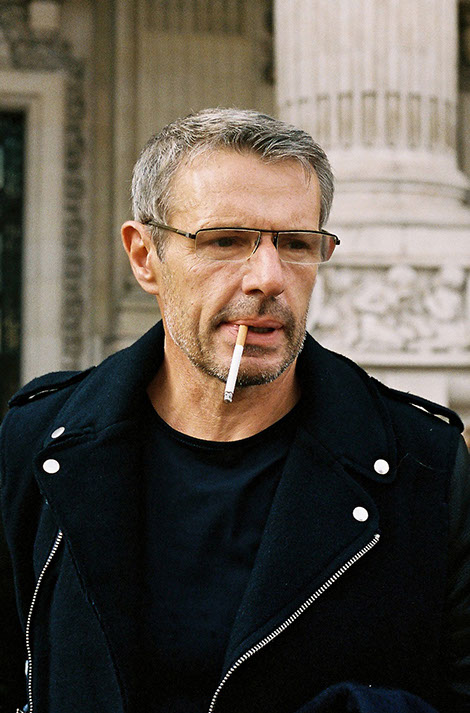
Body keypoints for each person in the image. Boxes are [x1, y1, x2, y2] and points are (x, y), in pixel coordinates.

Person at [1, 108, 469, 713]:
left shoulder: (425, 466)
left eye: (296, 244)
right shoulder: (37, 443)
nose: (268, 278)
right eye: (225, 241)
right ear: (145, 257)